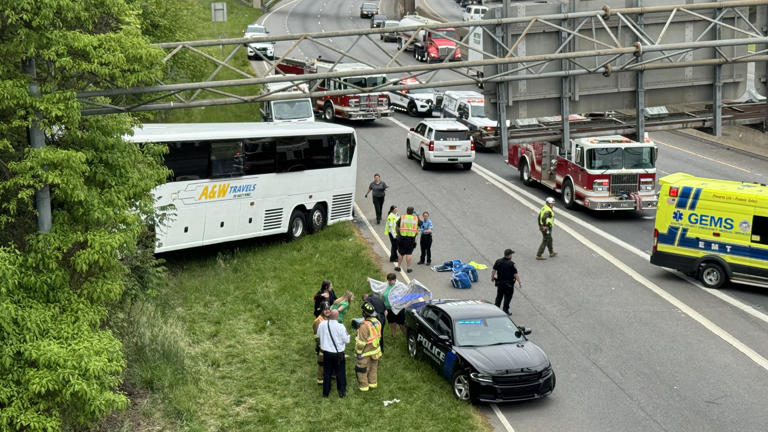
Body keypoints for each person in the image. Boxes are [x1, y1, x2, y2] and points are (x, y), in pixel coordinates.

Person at [317, 309, 349, 398]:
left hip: (326, 353)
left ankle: (326, 393)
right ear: (337, 317)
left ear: (329, 315)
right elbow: (347, 340)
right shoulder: (341, 327)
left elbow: (319, 335)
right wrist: (348, 334)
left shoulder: (322, 324)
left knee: (327, 373)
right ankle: (341, 392)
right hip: (338, 354)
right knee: (340, 372)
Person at [355, 302, 383, 392]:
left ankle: (364, 387)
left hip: (365, 353)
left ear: (364, 313)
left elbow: (361, 343)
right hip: (376, 351)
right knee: (373, 369)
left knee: (362, 370)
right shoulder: (377, 322)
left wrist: (358, 353)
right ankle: (373, 383)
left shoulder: (364, 326)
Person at [491, 248, 522, 315]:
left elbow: (494, 270)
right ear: (509, 255)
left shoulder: (498, 261)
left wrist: (492, 278)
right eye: (511, 254)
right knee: (508, 297)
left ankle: (496, 309)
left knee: (499, 296)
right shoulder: (511, 264)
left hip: (500, 283)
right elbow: (515, 274)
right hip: (509, 284)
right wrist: (519, 282)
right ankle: (505, 310)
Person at [395, 206, 419, 273]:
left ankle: (398, 266)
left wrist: (398, 234)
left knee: (400, 253)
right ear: (413, 211)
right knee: (409, 253)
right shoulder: (415, 218)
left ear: (407, 211)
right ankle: (408, 268)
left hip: (402, 237)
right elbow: (420, 224)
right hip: (411, 238)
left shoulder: (403, 217)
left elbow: (397, 226)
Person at [312, 302, 331, 384]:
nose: (327, 311)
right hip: (323, 346)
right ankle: (320, 379)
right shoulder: (317, 322)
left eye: (328, 309)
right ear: (322, 310)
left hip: (330, 344)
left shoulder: (329, 318)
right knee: (322, 363)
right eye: (325, 309)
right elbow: (317, 337)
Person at [382, 273, 406, 338]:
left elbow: (407, 293)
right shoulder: (386, 285)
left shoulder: (400, 286)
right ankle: (393, 335)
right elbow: (379, 288)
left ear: (395, 280)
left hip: (398, 309)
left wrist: (405, 304)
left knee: (401, 324)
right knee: (392, 323)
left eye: (390, 280)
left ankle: (406, 336)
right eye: (388, 280)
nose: (389, 282)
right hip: (388, 308)